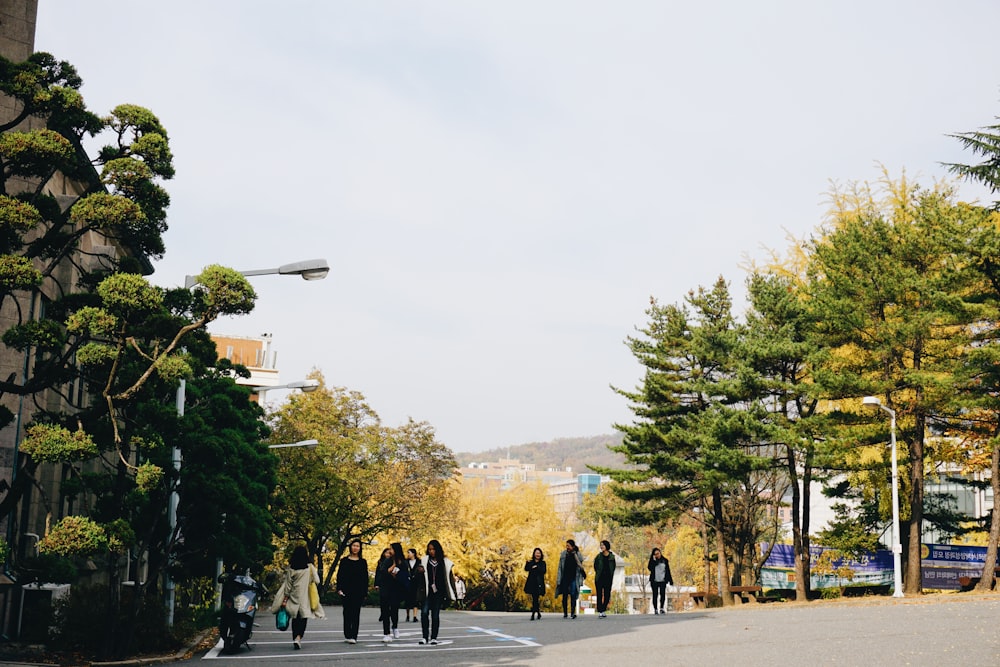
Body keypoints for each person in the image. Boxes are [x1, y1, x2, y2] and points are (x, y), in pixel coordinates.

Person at [269, 544, 325, 650]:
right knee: (303, 619)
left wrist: (285, 599)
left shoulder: (291, 568)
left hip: (293, 597)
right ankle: (298, 638)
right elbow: (317, 580)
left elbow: (288, 586)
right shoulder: (309, 567)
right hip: (305, 598)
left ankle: (295, 637)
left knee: (295, 619)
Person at [418, 539, 458, 645]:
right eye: (429, 549)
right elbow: (418, 576)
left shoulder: (444, 562)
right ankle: (424, 636)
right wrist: (420, 571)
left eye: (433, 549)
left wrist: (452, 593)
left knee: (435, 615)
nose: (431, 551)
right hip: (427, 591)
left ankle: (434, 637)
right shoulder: (425, 561)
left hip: (439, 592)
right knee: (424, 613)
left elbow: (449, 579)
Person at [374, 542, 409, 643]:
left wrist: (397, 576)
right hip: (385, 588)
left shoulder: (403, 562)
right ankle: (386, 633)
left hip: (396, 589)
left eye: (392, 549)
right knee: (385, 611)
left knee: (394, 610)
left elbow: (405, 575)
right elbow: (383, 572)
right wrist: (392, 567)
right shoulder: (387, 561)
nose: (390, 551)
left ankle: (395, 626)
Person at [336, 539, 368, 644]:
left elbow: (365, 578)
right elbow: (340, 575)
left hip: (358, 591)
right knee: (347, 613)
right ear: (350, 547)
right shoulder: (344, 561)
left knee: (355, 613)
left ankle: (354, 635)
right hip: (346, 590)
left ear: (360, 548)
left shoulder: (363, 562)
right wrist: (339, 589)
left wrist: (365, 592)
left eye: (357, 546)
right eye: (354, 545)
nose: (355, 548)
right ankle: (347, 634)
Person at [556, 539, 585, 619]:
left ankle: (572, 612)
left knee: (573, 594)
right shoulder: (563, 554)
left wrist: (581, 578)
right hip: (565, 577)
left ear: (573, 546)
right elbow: (560, 568)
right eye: (566, 546)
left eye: (568, 546)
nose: (567, 547)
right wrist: (559, 579)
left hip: (574, 578)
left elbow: (580, 565)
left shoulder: (577, 554)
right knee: (564, 594)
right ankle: (565, 612)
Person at [647, 547, 674, 614]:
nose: (657, 555)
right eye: (655, 554)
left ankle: (661, 608)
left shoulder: (665, 560)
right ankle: (655, 609)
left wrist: (670, 580)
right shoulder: (652, 562)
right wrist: (654, 560)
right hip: (654, 580)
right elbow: (650, 568)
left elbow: (668, 571)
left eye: (658, 553)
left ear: (660, 553)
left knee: (662, 594)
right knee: (655, 595)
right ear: (653, 555)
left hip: (662, 580)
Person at [593, 540, 616, 618]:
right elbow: (595, 566)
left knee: (607, 595)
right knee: (599, 594)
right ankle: (600, 611)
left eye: (603, 545)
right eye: (601, 545)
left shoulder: (612, 557)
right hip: (599, 578)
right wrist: (598, 573)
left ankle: (603, 609)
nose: (601, 546)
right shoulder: (598, 556)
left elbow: (613, 567)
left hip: (608, 578)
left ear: (607, 546)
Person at [524, 547, 546, 620]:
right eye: (536, 553)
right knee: (535, 598)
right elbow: (526, 568)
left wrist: (537, 567)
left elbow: (543, 571)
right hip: (532, 582)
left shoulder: (542, 563)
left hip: (539, 583)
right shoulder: (531, 562)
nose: (538, 554)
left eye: (539, 553)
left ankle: (534, 614)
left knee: (535, 598)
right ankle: (537, 613)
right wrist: (528, 564)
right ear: (534, 554)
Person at [375, 547, 392, 623]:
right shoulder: (380, 562)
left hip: (390, 583)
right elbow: (377, 573)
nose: (388, 554)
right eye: (386, 553)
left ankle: (388, 613)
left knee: (389, 600)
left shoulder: (392, 562)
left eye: (389, 553)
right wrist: (376, 584)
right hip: (382, 583)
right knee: (382, 600)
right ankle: (383, 613)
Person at [405, 548, 420, 621]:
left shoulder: (419, 562)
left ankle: (414, 616)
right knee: (407, 599)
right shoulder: (406, 562)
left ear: (413, 553)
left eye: (409, 553)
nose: (408, 554)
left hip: (416, 582)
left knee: (415, 599)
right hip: (408, 582)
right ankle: (407, 615)